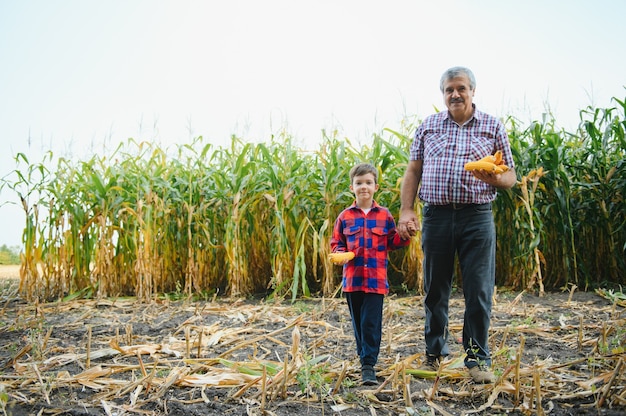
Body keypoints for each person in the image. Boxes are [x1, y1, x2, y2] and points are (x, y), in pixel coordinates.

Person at [397, 66, 516, 384]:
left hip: (476, 217)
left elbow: (510, 177)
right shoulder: (429, 125)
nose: (455, 94)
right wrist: (407, 210)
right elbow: (413, 171)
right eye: (449, 89)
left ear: (473, 91)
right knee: (435, 290)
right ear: (443, 94)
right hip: (435, 216)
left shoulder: (491, 126)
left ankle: (477, 358)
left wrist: (496, 177)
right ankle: (434, 353)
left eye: (461, 88)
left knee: (479, 290)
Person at [330, 163, 411, 385]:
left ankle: (368, 365)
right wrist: (338, 254)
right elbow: (336, 242)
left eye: (368, 182)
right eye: (359, 183)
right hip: (353, 280)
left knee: (371, 323)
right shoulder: (345, 217)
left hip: (375, 280)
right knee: (358, 323)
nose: (363, 187)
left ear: (376, 186)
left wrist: (406, 235)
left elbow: (393, 242)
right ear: (351, 187)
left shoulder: (384, 216)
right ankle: (363, 356)